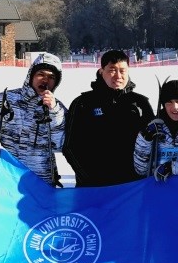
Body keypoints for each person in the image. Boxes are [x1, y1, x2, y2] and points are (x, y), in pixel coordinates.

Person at [64, 49, 155, 187]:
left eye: (122, 71)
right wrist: (88, 179)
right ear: (101, 71)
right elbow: (70, 147)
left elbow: (153, 144)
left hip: (132, 185)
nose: (118, 76)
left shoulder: (141, 103)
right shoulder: (83, 103)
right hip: (94, 187)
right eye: (112, 70)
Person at [0, 52, 67, 186]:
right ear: (31, 75)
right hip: (5, 180)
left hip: (41, 185)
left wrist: (53, 111)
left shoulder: (58, 110)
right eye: (41, 74)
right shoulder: (3, 100)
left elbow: (61, 145)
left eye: (51, 77)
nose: (45, 80)